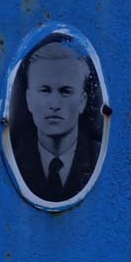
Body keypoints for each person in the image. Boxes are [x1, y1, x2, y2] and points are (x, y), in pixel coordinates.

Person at [11, 39, 102, 203]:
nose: (54, 105)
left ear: (82, 101)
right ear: (29, 99)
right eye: (45, 91)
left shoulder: (99, 159)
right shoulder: (14, 162)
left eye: (65, 91)